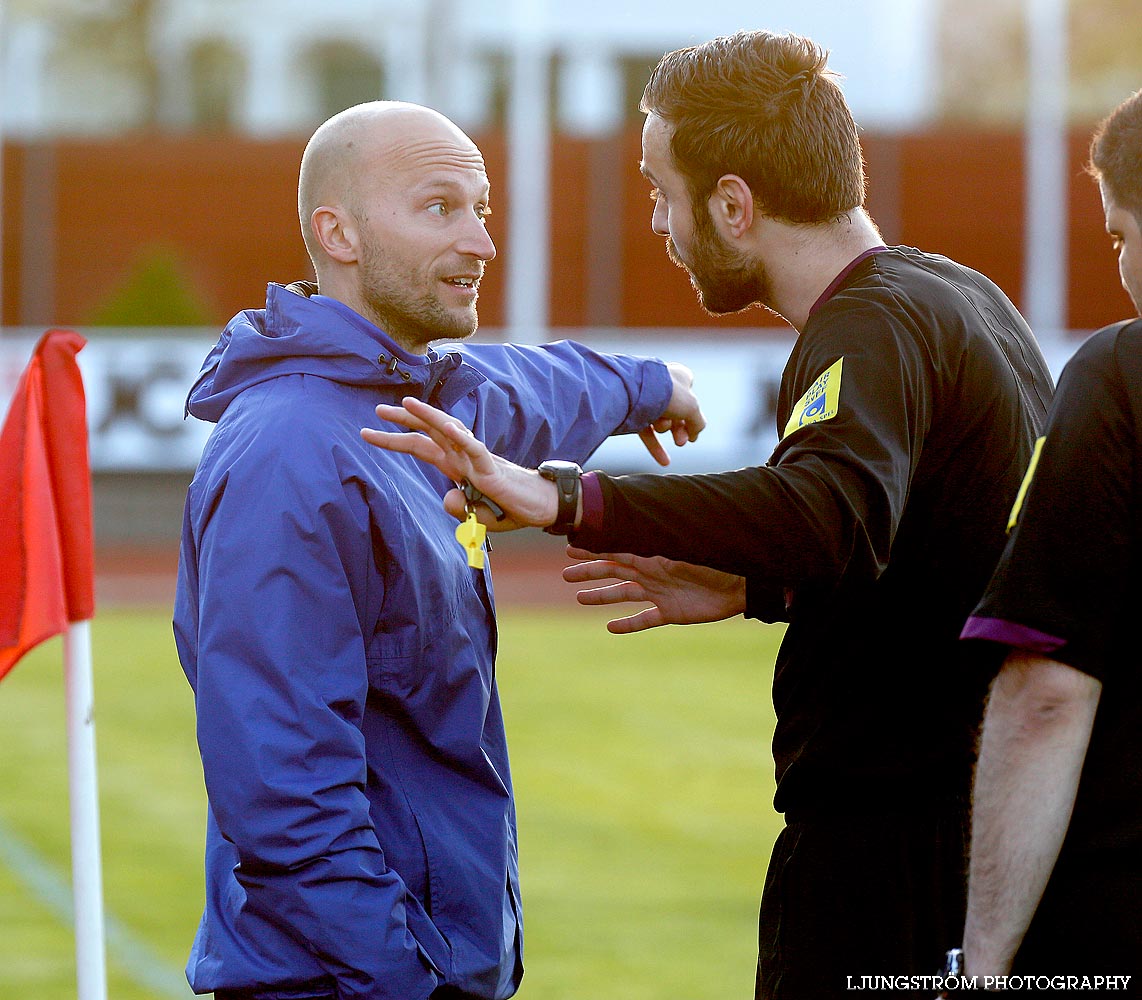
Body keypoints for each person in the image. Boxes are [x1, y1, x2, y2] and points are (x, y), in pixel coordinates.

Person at [360, 32, 1054, 999]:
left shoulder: (870, 323)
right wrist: (758, 584)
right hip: (975, 840)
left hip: (892, 862)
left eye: (663, 193)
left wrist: (567, 496)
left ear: (734, 206)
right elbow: (937, 549)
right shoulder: (957, 296)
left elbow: (831, 510)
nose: (657, 222)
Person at [172, 100, 704, 1000]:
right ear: (335, 233)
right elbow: (286, 795)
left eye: (482, 209)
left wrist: (649, 385)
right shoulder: (290, 455)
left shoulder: (418, 401)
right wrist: (403, 978)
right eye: (438, 208)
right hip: (351, 982)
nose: (481, 243)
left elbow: (532, 386)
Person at [954, 89, 1142, 988]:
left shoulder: (1120, 376)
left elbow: (1048, 693)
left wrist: (983, 966)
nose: (1121, 269)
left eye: (1118, 236)